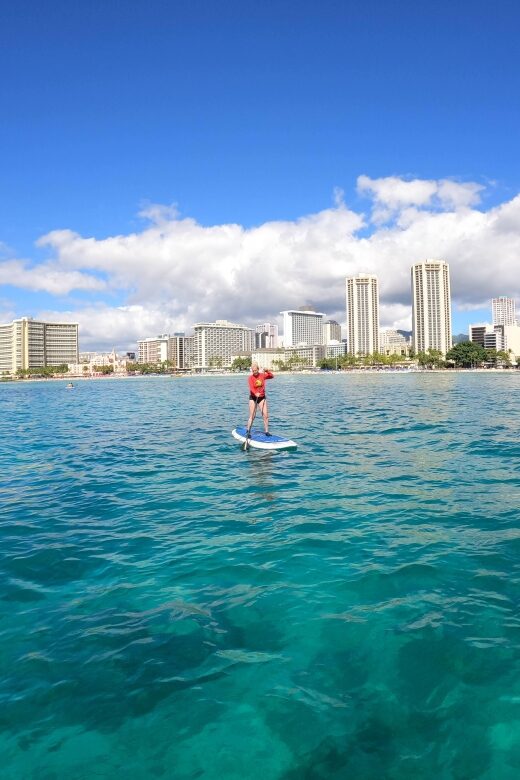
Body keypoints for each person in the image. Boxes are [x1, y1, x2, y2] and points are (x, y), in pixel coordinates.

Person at [246, 363, 274, 436]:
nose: (254, 372)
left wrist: (267, 371)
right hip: (253, 398)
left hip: (262, 398)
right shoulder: (250, 378)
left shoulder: (262, 375)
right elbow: (251, 388)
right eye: (253, 371)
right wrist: (255, 393)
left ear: (258, 369)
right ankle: (248, 431)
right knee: (252, 416)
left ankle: (267, 431)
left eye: (255, 370)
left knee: (265, 415)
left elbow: (271, 376)